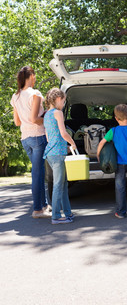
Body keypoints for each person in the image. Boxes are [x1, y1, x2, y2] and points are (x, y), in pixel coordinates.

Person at [11, 66, 51, 219]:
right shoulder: (35, 94)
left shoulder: (16, 96)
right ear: (31, 76)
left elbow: (16, 122)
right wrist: (47, 117)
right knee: (37, 174)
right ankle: (37, 210)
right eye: (34, 76)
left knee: (39, 173)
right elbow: (35, 119)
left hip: (25, 139)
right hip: (37, 137)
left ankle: (43, 206)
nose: (35, 79)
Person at [97, 104, 127, 218]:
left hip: (119, 164)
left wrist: (98, 155)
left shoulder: (113, 131)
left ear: (116, 118)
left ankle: (121, 212)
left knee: (120, 187)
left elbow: (102, 143)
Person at [43, 88, 77, 225]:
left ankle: (68, 213)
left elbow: (49, 137)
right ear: (57, 99)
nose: (63, 104)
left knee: (63, 184)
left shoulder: (46, 115)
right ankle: (56, 216)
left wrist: (66, 148)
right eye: (63, 101)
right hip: (57, 155)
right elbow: (63, 133)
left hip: (51, 153)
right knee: (58, 185)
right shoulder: (58, 113)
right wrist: (73, 143)